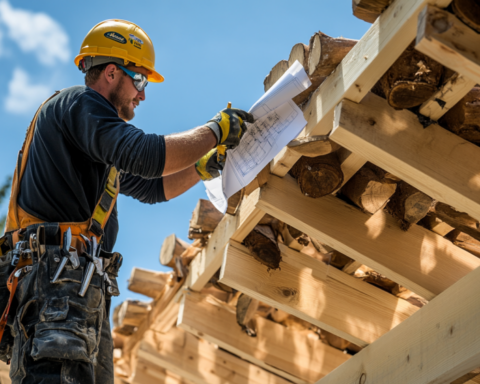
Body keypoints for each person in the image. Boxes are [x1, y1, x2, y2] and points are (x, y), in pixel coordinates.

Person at [0, 19, 253, 384]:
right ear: (113, 73)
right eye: (141, 81)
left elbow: (151, 186)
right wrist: (216, 131)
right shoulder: (79, 105)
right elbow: (147, 155)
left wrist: (200, 167)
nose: (143, 95)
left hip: (74, 288)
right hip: (55, 284)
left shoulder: (92, 137)